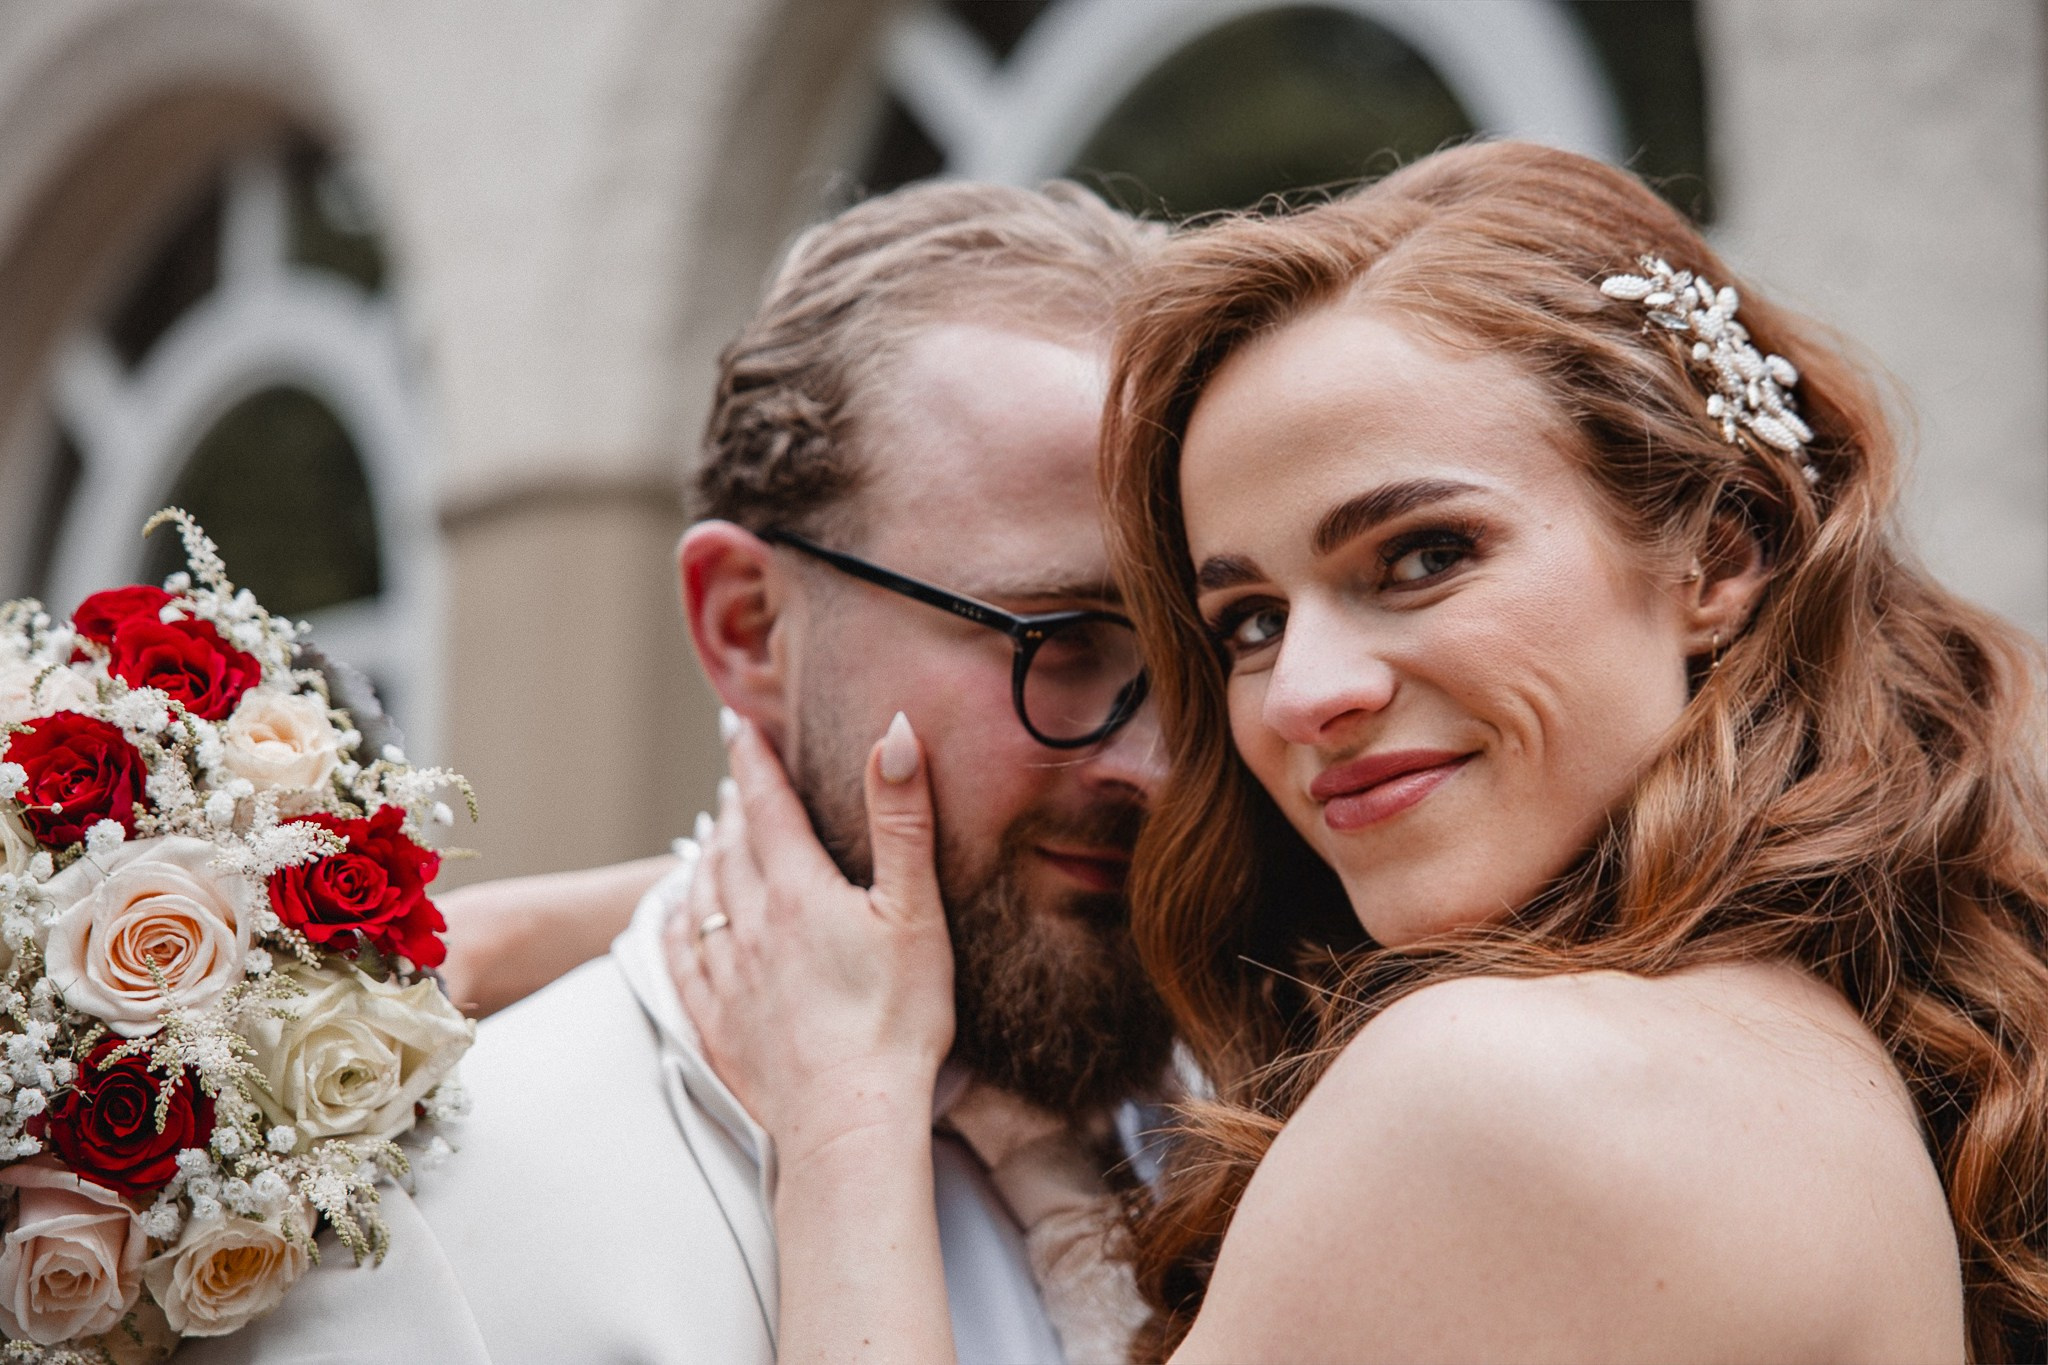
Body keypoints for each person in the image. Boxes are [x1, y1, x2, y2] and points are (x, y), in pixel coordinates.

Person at [673, 140, 2048, 1362]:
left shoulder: (1501, 1093)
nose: (1302, 696)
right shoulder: (1817, 1028)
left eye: (1422, 556)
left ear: (1720, 549)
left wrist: (848, 1121)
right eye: (1251, 620)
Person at [183, 179, 1175, 1365]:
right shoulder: (441, 1225)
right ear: (749, 626)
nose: (1159, 764)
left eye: (1207, 656)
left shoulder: (1286, 1111)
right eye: (1057, 642)